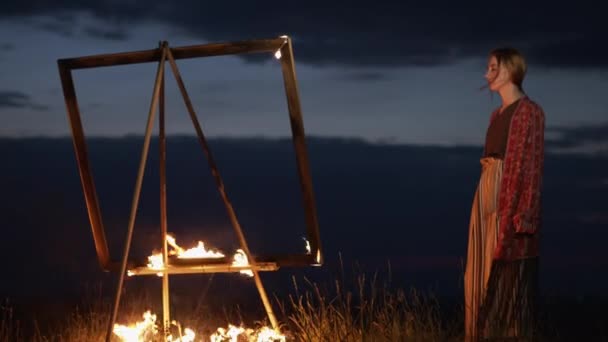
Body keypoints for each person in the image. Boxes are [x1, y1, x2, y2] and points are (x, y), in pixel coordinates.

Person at [464, 47, 545, 341]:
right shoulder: (495, 115)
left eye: (493, 67)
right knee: (480, 267)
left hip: (506, 187)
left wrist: (525, 211)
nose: (487, 74)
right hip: (486, 183)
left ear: (509, 71)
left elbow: (532, 162)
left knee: (506, 268)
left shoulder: (529, 112)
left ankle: (506, 334)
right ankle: (479, 334)